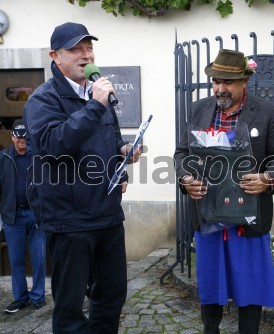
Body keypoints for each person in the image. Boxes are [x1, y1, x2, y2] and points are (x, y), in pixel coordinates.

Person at [22, 22, 140, 333]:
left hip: (107, 216)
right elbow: (53, 145)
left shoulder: (95, 94)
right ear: (56, 56)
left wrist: (123, 152)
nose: (86, 55)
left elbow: (109, 138)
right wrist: (94, 105)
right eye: (76, 49)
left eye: (89, 48)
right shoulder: (42, 100)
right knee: (71, 306)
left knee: (111, 296)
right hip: (69, 221)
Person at [174, 49, 274, 334]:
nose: (220, 89)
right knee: (211, 282)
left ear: (244, 82)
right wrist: (186, 178)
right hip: (207, 212)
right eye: (216, 81)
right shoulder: (198, 109)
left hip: (248, 214)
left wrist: (268, 177)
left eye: (227, 82)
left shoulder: (266, 112)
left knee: (249, 285)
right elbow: (181, 153)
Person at [0, 123, 46, 313]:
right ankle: (20, 298)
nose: (21, 143)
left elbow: (47, 185)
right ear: (12, 138)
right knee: (16, 260)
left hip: (35, 216)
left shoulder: (37, 158)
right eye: (18, 139)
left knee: (39, 258)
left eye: (25, 139)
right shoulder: (3, 158)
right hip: (13, 217)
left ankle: (38, 296)